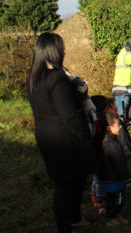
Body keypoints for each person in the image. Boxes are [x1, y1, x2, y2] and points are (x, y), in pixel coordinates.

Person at [26, 32, 97, 232]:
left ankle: (73, 219)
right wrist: (84, 135)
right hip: (65, 139)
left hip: (46, 135)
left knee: (68, 181)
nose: (64, 51)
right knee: (67, 186)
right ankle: (65, 225)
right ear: (53, 51)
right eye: (61, 48)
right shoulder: (56, 78)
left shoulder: (33, 77)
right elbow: (68, 115)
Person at [99, 112, 131, 227]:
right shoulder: (113, 145)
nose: (120, 127)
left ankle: (116, 215)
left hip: (109, 177)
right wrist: (127, 178)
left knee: (114, 199)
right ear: (109, 128)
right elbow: (120, 164)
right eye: (118, 125)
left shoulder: (106, 141)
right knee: (116, 199)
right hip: (115, 179)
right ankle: (111, 217)